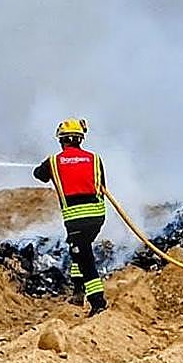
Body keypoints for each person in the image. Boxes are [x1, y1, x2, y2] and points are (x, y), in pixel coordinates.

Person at [34, 118, 108, 316]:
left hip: (76, 219)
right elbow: (102, 186)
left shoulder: (53, 162)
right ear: (80, 139)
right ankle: (78, 292)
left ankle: (98, 302)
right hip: (97, 217)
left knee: (85, 259)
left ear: (61, 140)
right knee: (78, 249)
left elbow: (38, 175)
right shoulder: (95, 159)